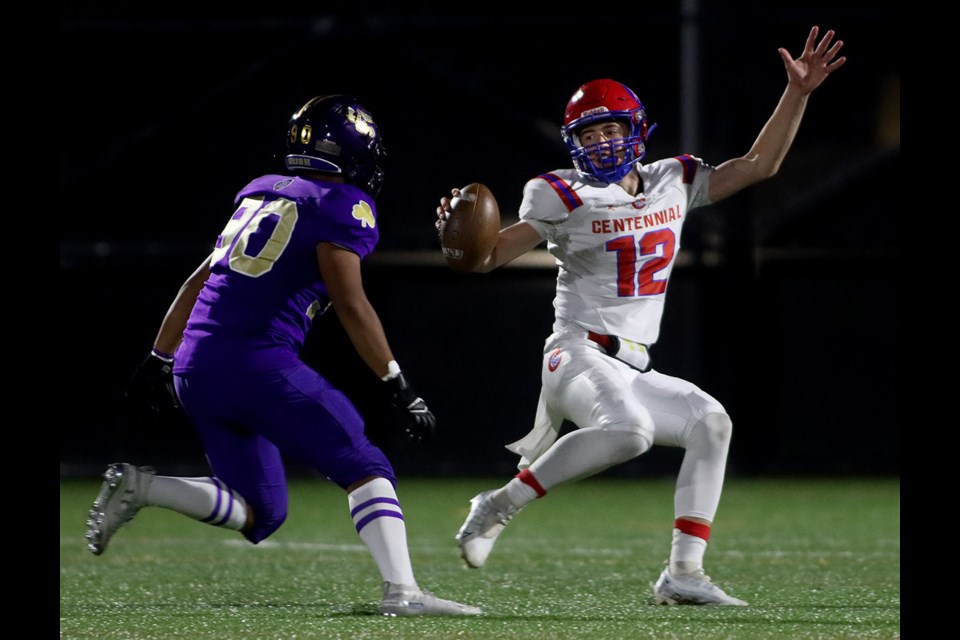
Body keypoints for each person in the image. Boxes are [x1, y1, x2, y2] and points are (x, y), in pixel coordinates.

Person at [438, 26, 845, 606]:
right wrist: (459, 234)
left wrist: (798, 93)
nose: (603, 142)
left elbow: (758, 165)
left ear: (637, 130)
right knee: (630, 433)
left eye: (612, 128)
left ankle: (683, 573)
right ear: (572, 141)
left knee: (712, 422)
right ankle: (498, 504)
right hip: (575, 351)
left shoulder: (670, 180)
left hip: (631, 363)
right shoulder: (561, 196)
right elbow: (487, 258)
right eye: (590, 132)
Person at [85, 95, 482, 617]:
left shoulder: (259, 193)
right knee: (366, 464)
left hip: (194, 365)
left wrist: (160, 357)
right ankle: (403, 592)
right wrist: (397, 383)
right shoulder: (344, 207)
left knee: (260, 511)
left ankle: (142, 487)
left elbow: (199, 278)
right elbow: (350, 302)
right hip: (254, 362)